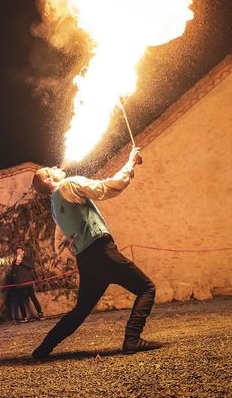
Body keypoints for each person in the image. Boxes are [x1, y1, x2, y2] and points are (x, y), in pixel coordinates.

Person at [30, 146, 161, 359]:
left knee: (80, 311)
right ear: (48, 181)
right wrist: (130, 163)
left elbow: (60, 243)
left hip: (86, 260)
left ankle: (42, 350)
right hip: (102, 252)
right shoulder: (69, 184)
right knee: (147, 288)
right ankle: (132, 339)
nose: (55, 166)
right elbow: (107, 188)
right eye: (50, 169)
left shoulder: (55, 206)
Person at [9, 247, 45, 321]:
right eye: (17, 252)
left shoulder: (28, 259)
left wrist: (21, 261)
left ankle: (40, 314)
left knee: (33, 298)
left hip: (28, 283)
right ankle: (24, 317)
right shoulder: (14, 262)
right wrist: (16, 264)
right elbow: (13, 272)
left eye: (20, 251)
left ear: (23, 252)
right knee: (20, 300)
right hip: (19, 284)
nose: (19, 253)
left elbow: (31, 266)